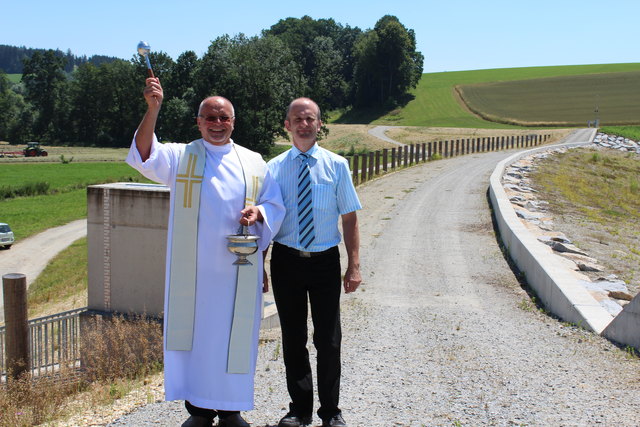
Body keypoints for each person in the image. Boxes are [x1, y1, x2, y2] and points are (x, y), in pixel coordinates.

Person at [126, 77, 285, 427]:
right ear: (198, 122)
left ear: (233, 122)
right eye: (209, 118)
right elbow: (143, 155)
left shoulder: (254, 161)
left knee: (234, 339)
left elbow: (275, 204)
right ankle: (199, 411)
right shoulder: (183, 156)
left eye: (223, 118)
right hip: (194, 276)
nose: (217, 124)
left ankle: (230, 411)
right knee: (199, 341)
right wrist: (153, 109)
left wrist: (260, 213)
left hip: (237, 273)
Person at [266, 98, 362, 427]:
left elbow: (349, 218)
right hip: (286, 262)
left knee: (328, 339)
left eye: (311, 118)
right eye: (298, 119)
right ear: (287, 125)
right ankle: (299, 410)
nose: (305, 124)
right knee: (293, 338)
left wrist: (354, 265)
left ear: (320, 124)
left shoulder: (337, 166)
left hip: (324, 263)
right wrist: (261, 265)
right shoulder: (273, 168)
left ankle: (331, 412)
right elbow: (267, 219)